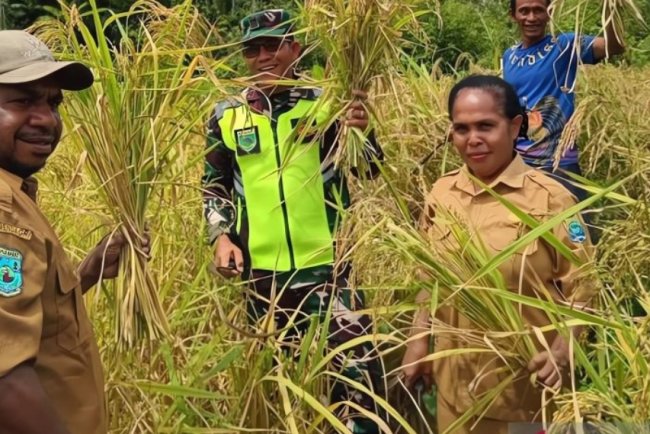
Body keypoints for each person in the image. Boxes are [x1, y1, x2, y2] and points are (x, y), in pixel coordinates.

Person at [201, 9, 384, 433]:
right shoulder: (227, 114)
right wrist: (221, 237)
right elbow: (214, 186)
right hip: (262, 279)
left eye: (273, 45)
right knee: (281, 386)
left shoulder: (327, 104)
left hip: (331, 272)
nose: (263, 56)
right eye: (252, 49)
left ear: (295, 48)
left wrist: (363, 131)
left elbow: (369, 171)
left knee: (358, 386)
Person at [401, 75, 597, 434]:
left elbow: (583, 288)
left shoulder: (551, 200)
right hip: (453, 392)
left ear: (515, 126)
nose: (472, 139)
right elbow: (430, 280)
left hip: (524, 395)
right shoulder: (442, 194)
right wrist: (418, 343)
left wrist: (561, 350)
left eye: (485, 126)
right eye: (461, 129)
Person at [0, 30, 146, 434]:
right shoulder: (4, 212)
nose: (46, 119)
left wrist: (86, 273)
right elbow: (5, 379)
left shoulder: (17, 193)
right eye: (23, 100)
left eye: (53, 102)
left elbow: (21, 314)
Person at [503, 0, 625, 201]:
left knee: (575, 227)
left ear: (549, 13)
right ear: (513, 15)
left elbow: (615, 47)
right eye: (524, 11)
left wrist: (610, 9)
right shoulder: (509, 56)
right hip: (519, 162)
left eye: (538, 10)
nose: (531, 18)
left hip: (560, 162)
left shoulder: (565, 45)